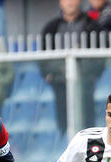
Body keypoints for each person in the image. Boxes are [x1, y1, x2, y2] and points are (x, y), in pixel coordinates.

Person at [40, 0, 93, 135]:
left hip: (85, 82)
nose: (70, 3)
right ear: (60, 3)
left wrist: (90, 73)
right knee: (63, 120)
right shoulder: (51, 28)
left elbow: (98, 57)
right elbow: (43, 56)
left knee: (86, 119)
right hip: (60, 82)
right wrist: (49, 73)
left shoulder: (91, 25)